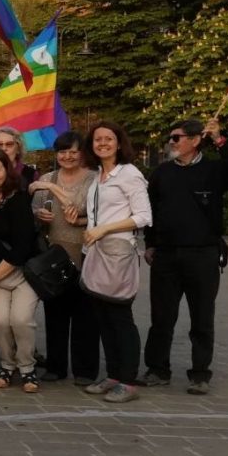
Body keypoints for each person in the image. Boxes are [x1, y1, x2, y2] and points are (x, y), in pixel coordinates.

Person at [143, 118, 228, 395]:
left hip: (203, 254)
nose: (171, 143)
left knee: (202, 317)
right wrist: (150, 243)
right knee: (162, 317)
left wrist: (220, 140)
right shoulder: (162, 173)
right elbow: (150, 210)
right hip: (165, 255)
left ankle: (200, 373)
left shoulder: (213, 171)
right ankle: (157, 369)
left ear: (195, 140)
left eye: (176, 137)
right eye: (171, 137)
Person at [81, 122, 152, 404]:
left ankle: (128, 379)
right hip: (97, 250)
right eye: (97, 139)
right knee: (102, 315)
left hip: (119, 251)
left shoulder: (130, 174)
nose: (102, 143)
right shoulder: (99, 175)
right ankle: (112, 374)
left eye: (108, 139)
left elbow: (144, 216)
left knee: (120, 316)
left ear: (119, 143)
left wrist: (104, 229)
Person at [29, 131, 98, 384]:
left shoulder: (94, 179)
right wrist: (39, 215)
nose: (67, 156)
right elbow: (35, 208)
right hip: (54, 256)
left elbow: (80, 207)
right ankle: (56, 367)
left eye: (73, 151)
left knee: (85, 316)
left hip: (85, 254)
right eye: (62, 151)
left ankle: (85, 371)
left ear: (82, 153)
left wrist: (49, 187)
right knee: (55, 314)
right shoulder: (49, 176)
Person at [0, 150, 41, 393]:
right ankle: (6, 364)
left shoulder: (18, 199)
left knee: (21, 320)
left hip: (20, 271)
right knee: (0, 322)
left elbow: (22, 246)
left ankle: (27, 367)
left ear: (6, 171)